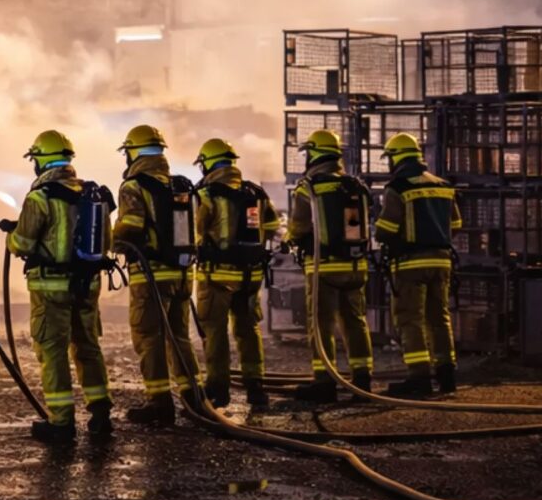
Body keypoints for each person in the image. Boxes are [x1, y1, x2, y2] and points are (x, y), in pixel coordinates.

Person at [0, 130, 114, 444]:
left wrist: (12, 234)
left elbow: (21, 243)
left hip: (51, 288)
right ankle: (101, 414)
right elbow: (107, 242)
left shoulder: (40, 196)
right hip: (87, 286)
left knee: (54, 352)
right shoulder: (93, 195)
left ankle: (61, 423)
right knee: (88, 347)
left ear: (41, 159)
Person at [111, 124, 199, 426]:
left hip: (150, 277)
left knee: (149, 336)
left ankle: (159, 403)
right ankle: (193, 399)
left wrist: (109, 240)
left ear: (132, 152)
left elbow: (131, 227)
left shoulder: (134, 186)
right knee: (180, 337)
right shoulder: (180, 185)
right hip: (183, 274)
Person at [285, 129, 376, 402]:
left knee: (321, 324)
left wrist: (290, 239)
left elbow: (298, 227)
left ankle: (324, 382)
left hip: (323, 268)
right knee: (355, 322)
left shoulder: (309, 187)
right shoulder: (355, 185)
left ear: (313, 154)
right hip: (355, 267)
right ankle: (362, 381)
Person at [192, 138, 279, 411]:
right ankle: (256, 387)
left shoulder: (205, 195)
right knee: (248, 329)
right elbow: (274, 224)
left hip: (216, 277)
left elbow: (192, 233)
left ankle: (218, 388)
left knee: (215, 331)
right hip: (250, 277)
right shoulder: (255, 192)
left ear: (207, 162)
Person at [376, 133, 463, 397]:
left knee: (409, 320)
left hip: (410, 263)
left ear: (396, 158)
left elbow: (386, 230)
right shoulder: (443, 185)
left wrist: (375, 222)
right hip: (442, 261)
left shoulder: (397, 188)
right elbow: (456, 225)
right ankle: (447, 375)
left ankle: (419, 377)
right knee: (439, 318)